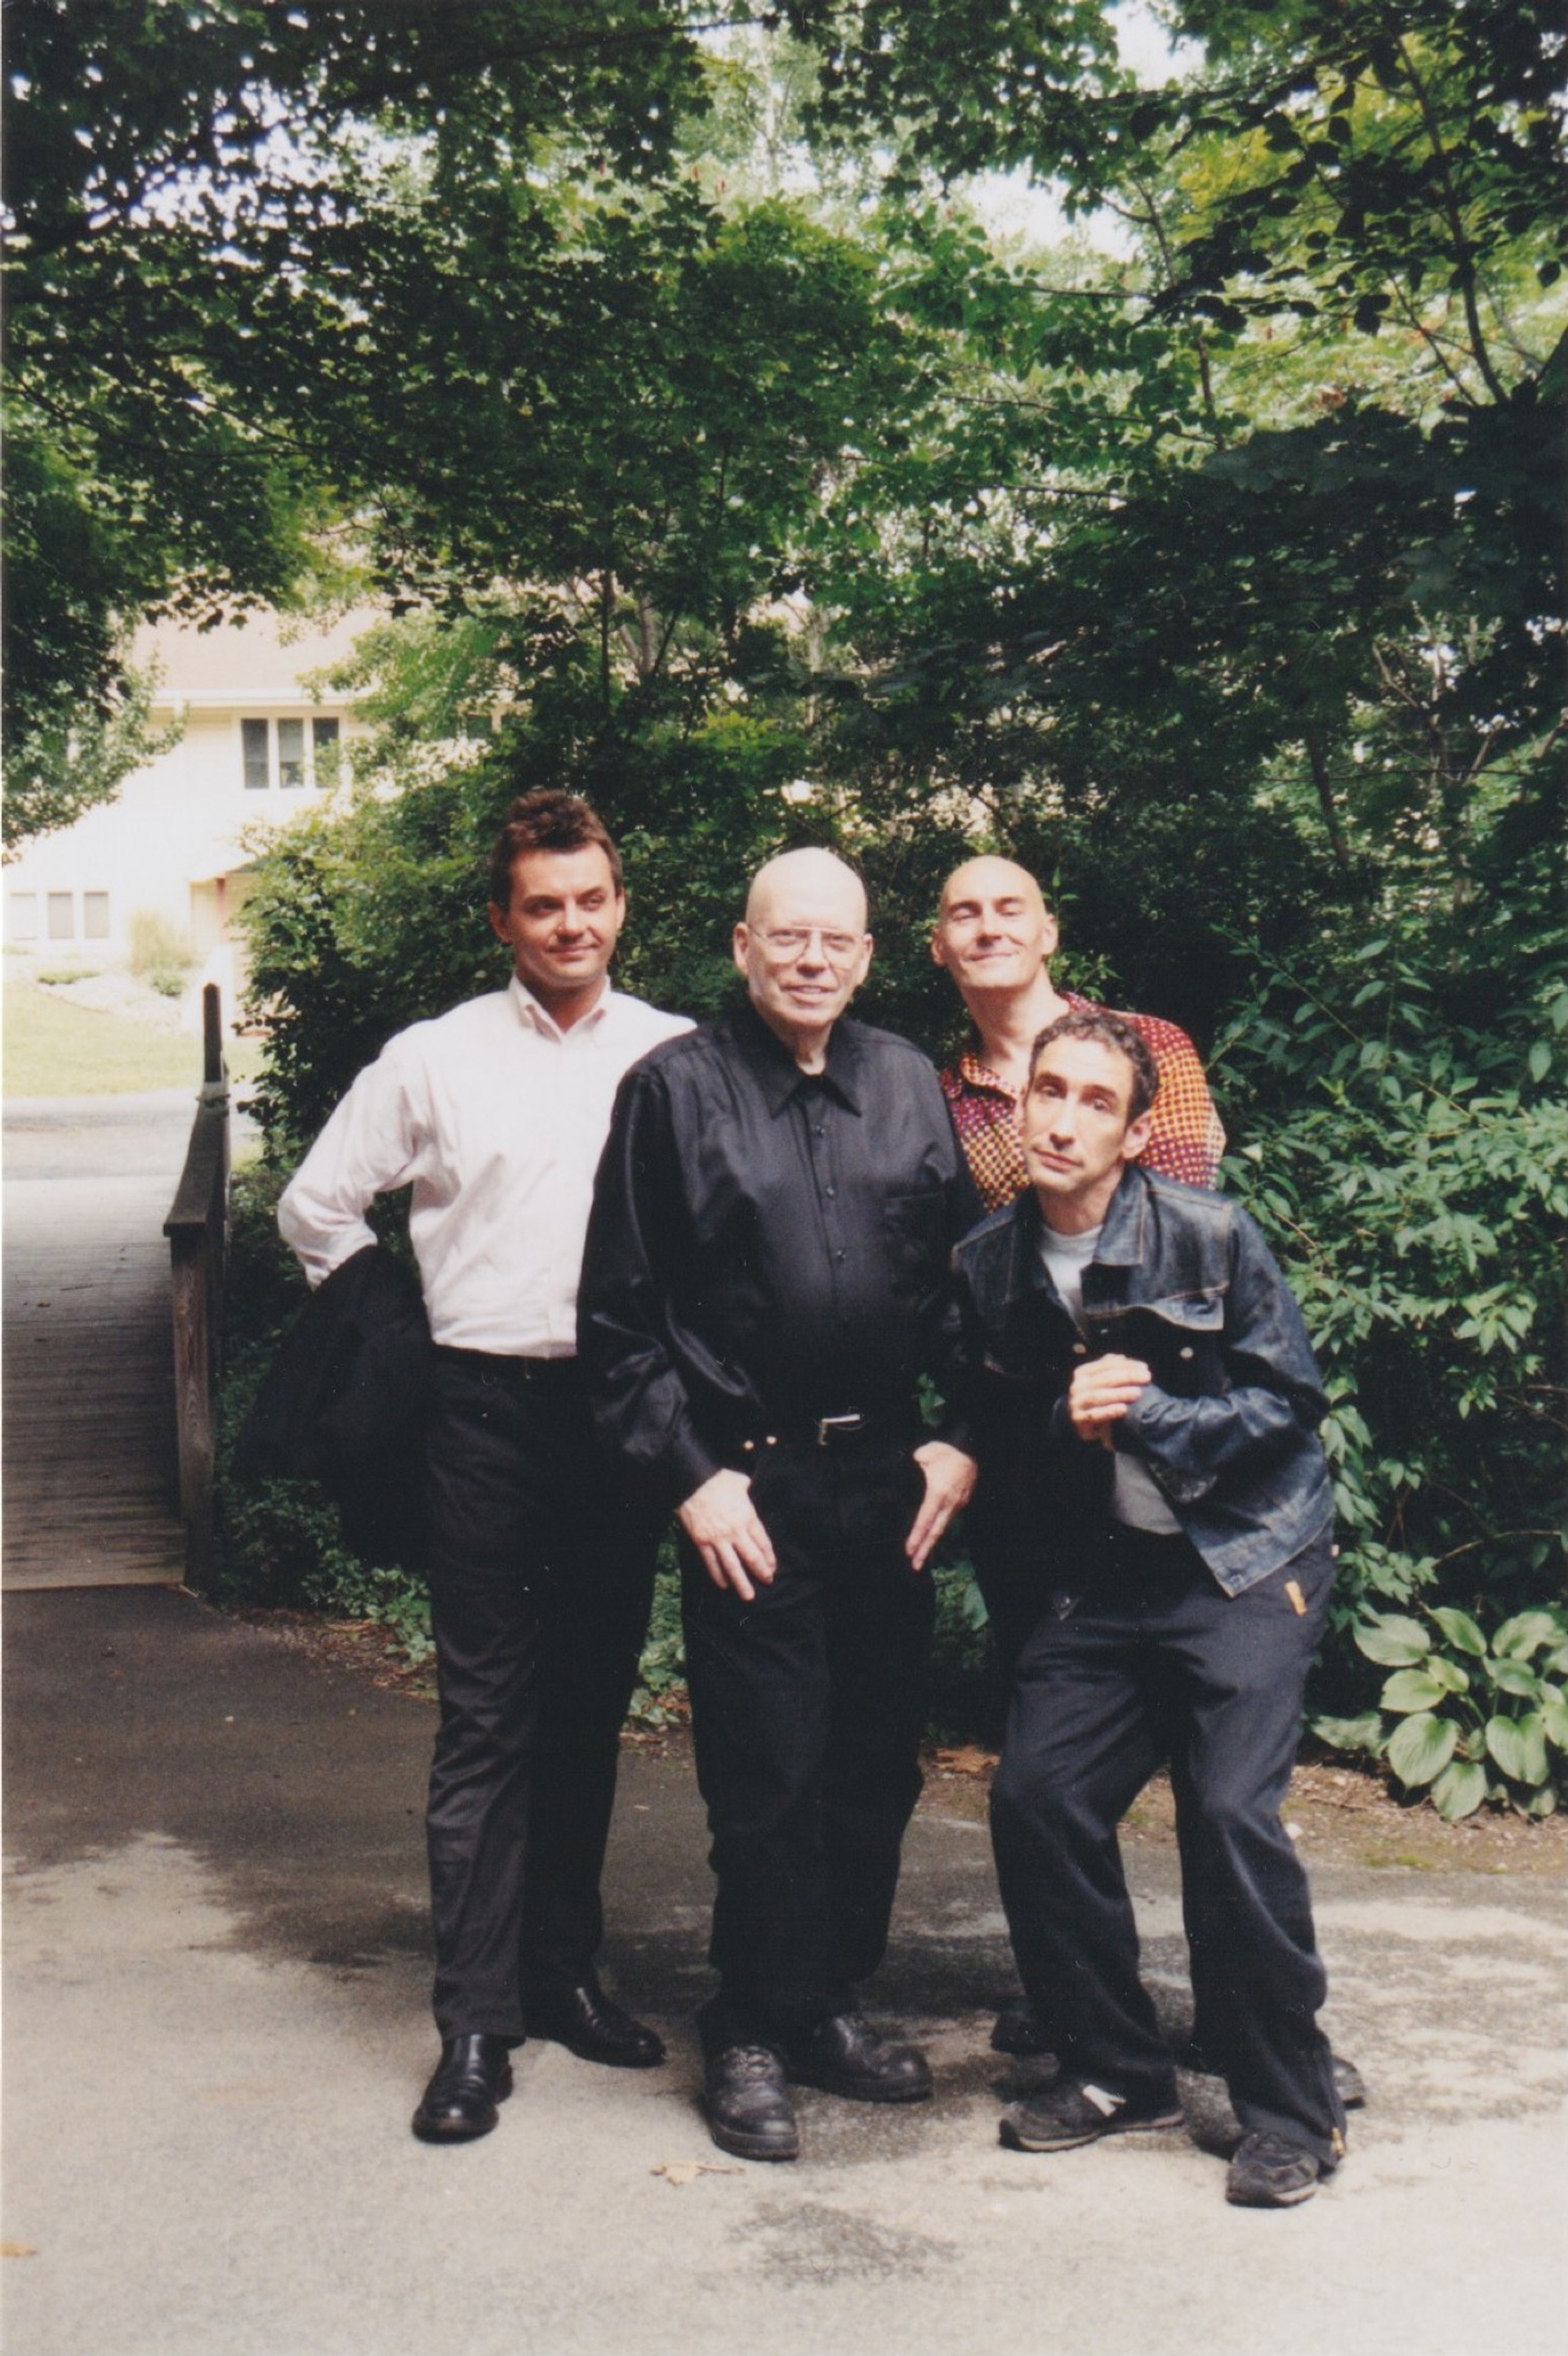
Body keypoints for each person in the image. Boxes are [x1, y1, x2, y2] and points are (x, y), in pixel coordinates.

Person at [278, 791, 690, 2143]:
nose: (571, 925)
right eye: (543, 905)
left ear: (619, 906)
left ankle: (565, 1974)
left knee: (584, 1711)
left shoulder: (676, 1055)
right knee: (487, 1724)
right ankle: (473, 2024)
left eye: (591, 899)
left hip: (618, 1419)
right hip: (481, 1420)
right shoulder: (436, 1057)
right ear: (504, 920)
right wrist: (396, 1335)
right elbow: (315, 1205)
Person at [578, 848, 980, 2163]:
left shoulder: (911, 1083)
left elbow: (967, 1290)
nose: (813, 959)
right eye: (787, 937)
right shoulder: (673, 1093)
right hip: (749, 1484)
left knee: (873, 1764)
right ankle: (748, 2022)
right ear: (743, 948)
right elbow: (618, 1324)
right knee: (770, 1772)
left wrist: (957, 1440)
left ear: (868, 956)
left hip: (888, 1485)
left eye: (838, 941)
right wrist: (692, 1477)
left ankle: (825, 2003)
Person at [951, 1009, 1348, 2207]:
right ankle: (1119, 2066)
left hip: (1242, 1559)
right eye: (1048, 1094)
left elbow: (1292, 1402)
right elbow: (993, 1425)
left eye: (1095, 1103)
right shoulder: (987, 1262)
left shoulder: (1211, 1234)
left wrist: (1152, 1417)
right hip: (1107, 1572)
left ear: (1133, 1132)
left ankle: (1293, 2108)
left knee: (1227, 1815)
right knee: (1037, 1794)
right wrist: (1053, 1425)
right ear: (1020, 1109)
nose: (1064, 1120)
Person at [933, 853, 1224, 1214]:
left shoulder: (1152, 1045)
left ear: (1048, 935)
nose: (989, 930)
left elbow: (1178, 1222)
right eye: (965, 915)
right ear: (939, 945)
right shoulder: (940, 1104)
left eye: (1010, 912)